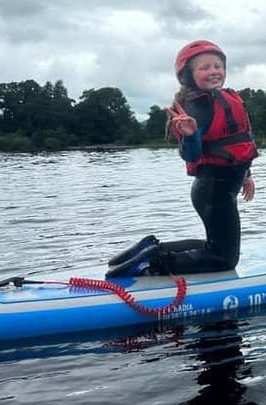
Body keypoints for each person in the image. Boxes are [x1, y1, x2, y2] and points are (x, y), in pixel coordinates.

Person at [106, 40, 258, 277]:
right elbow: (192, 155)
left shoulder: (222, 99)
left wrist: (246, 175)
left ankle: (152, 248)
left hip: (220, 189)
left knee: (216, 247)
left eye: (217, 65)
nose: (213, 71)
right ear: (189, 75)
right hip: (213, 191)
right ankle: (153, 263)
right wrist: (190, 136)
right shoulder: (197, 108)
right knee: (225, 259)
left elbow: (233, 145)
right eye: (204, 68)